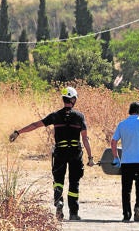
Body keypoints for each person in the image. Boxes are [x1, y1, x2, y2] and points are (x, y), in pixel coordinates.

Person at [9, 86, 95, 221]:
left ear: (64, 99)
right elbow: (85, 138)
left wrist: (18, 132)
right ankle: (73, 213)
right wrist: (90, 158)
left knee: (58, 181)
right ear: (73, 100)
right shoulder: (79, 117)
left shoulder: (55, 116)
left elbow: (35, 125)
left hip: (60, 152)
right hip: (75, 153)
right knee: (74, 182)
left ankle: (58, 202)